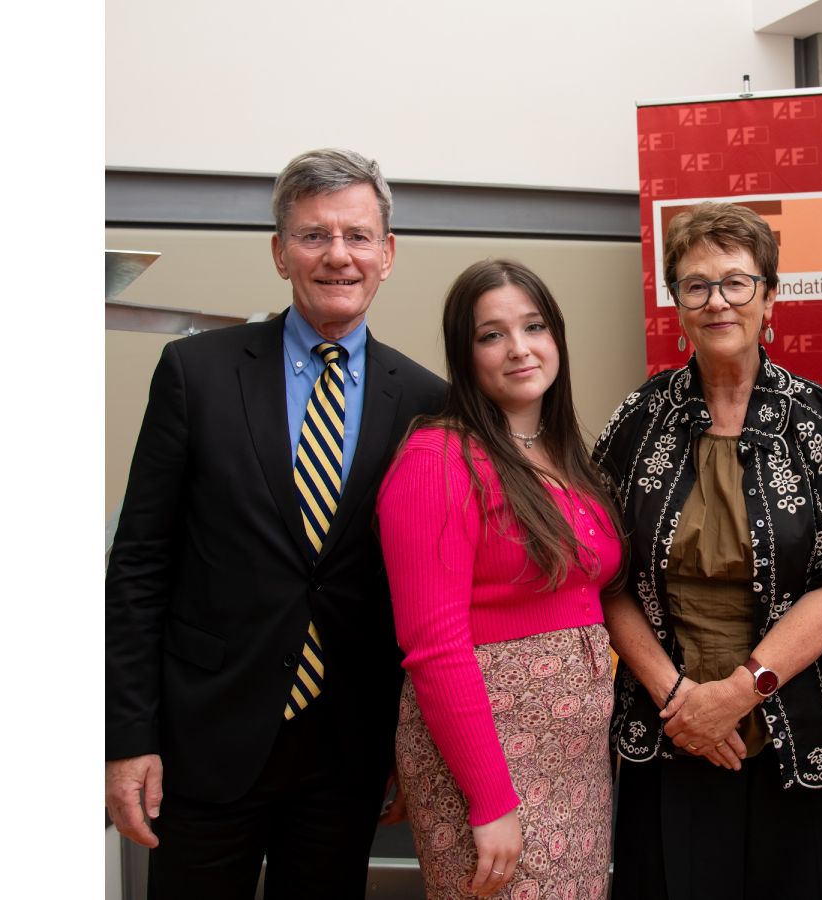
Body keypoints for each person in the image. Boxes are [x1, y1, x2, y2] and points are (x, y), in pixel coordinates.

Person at [104, 148, 447, 897]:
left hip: (345, 748)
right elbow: (138, 565)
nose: (338, 255)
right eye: (314, 235)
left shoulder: (428, 402)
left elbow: (425, 591)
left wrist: (409, 742)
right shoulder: (195, 373)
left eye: (357, 236)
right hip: (205, 738)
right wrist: (127, 738)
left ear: (388, 254)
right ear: (279, 251)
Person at [593, 202, 822, 900]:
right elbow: (605, 577)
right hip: (668, 721)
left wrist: (740, 693)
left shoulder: (819, 421)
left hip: (793, 721)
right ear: (677, 304)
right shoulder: (637, 422)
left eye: (736, 282)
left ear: (769, 297)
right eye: (697, 285)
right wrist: (681, 700)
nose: (717, 301)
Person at [376, 260, 623, 900]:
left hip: (573, 765)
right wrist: (489, 800)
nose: (519, 348)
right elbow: (433, 647)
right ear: (465, 356)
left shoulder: (563, 453)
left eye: (534, 327)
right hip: (491, 767)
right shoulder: (437, 460)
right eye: (492, 335)